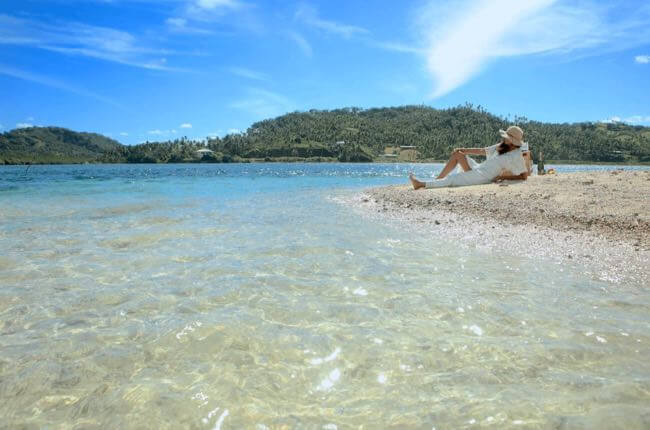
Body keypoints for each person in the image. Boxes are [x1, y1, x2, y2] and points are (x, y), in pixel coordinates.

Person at [409, 126, 528, 190]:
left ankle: (421, 184)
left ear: (512, 140)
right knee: (457, 155)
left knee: (453, 179)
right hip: (479, 168)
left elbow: (523, 176)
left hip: (483, 177)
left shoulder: (516, 155)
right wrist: (463, 149)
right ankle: (436, 180)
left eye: (506, 137)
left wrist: (501, 176)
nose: (504, 139)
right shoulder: (502, 146)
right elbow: (483, 151)